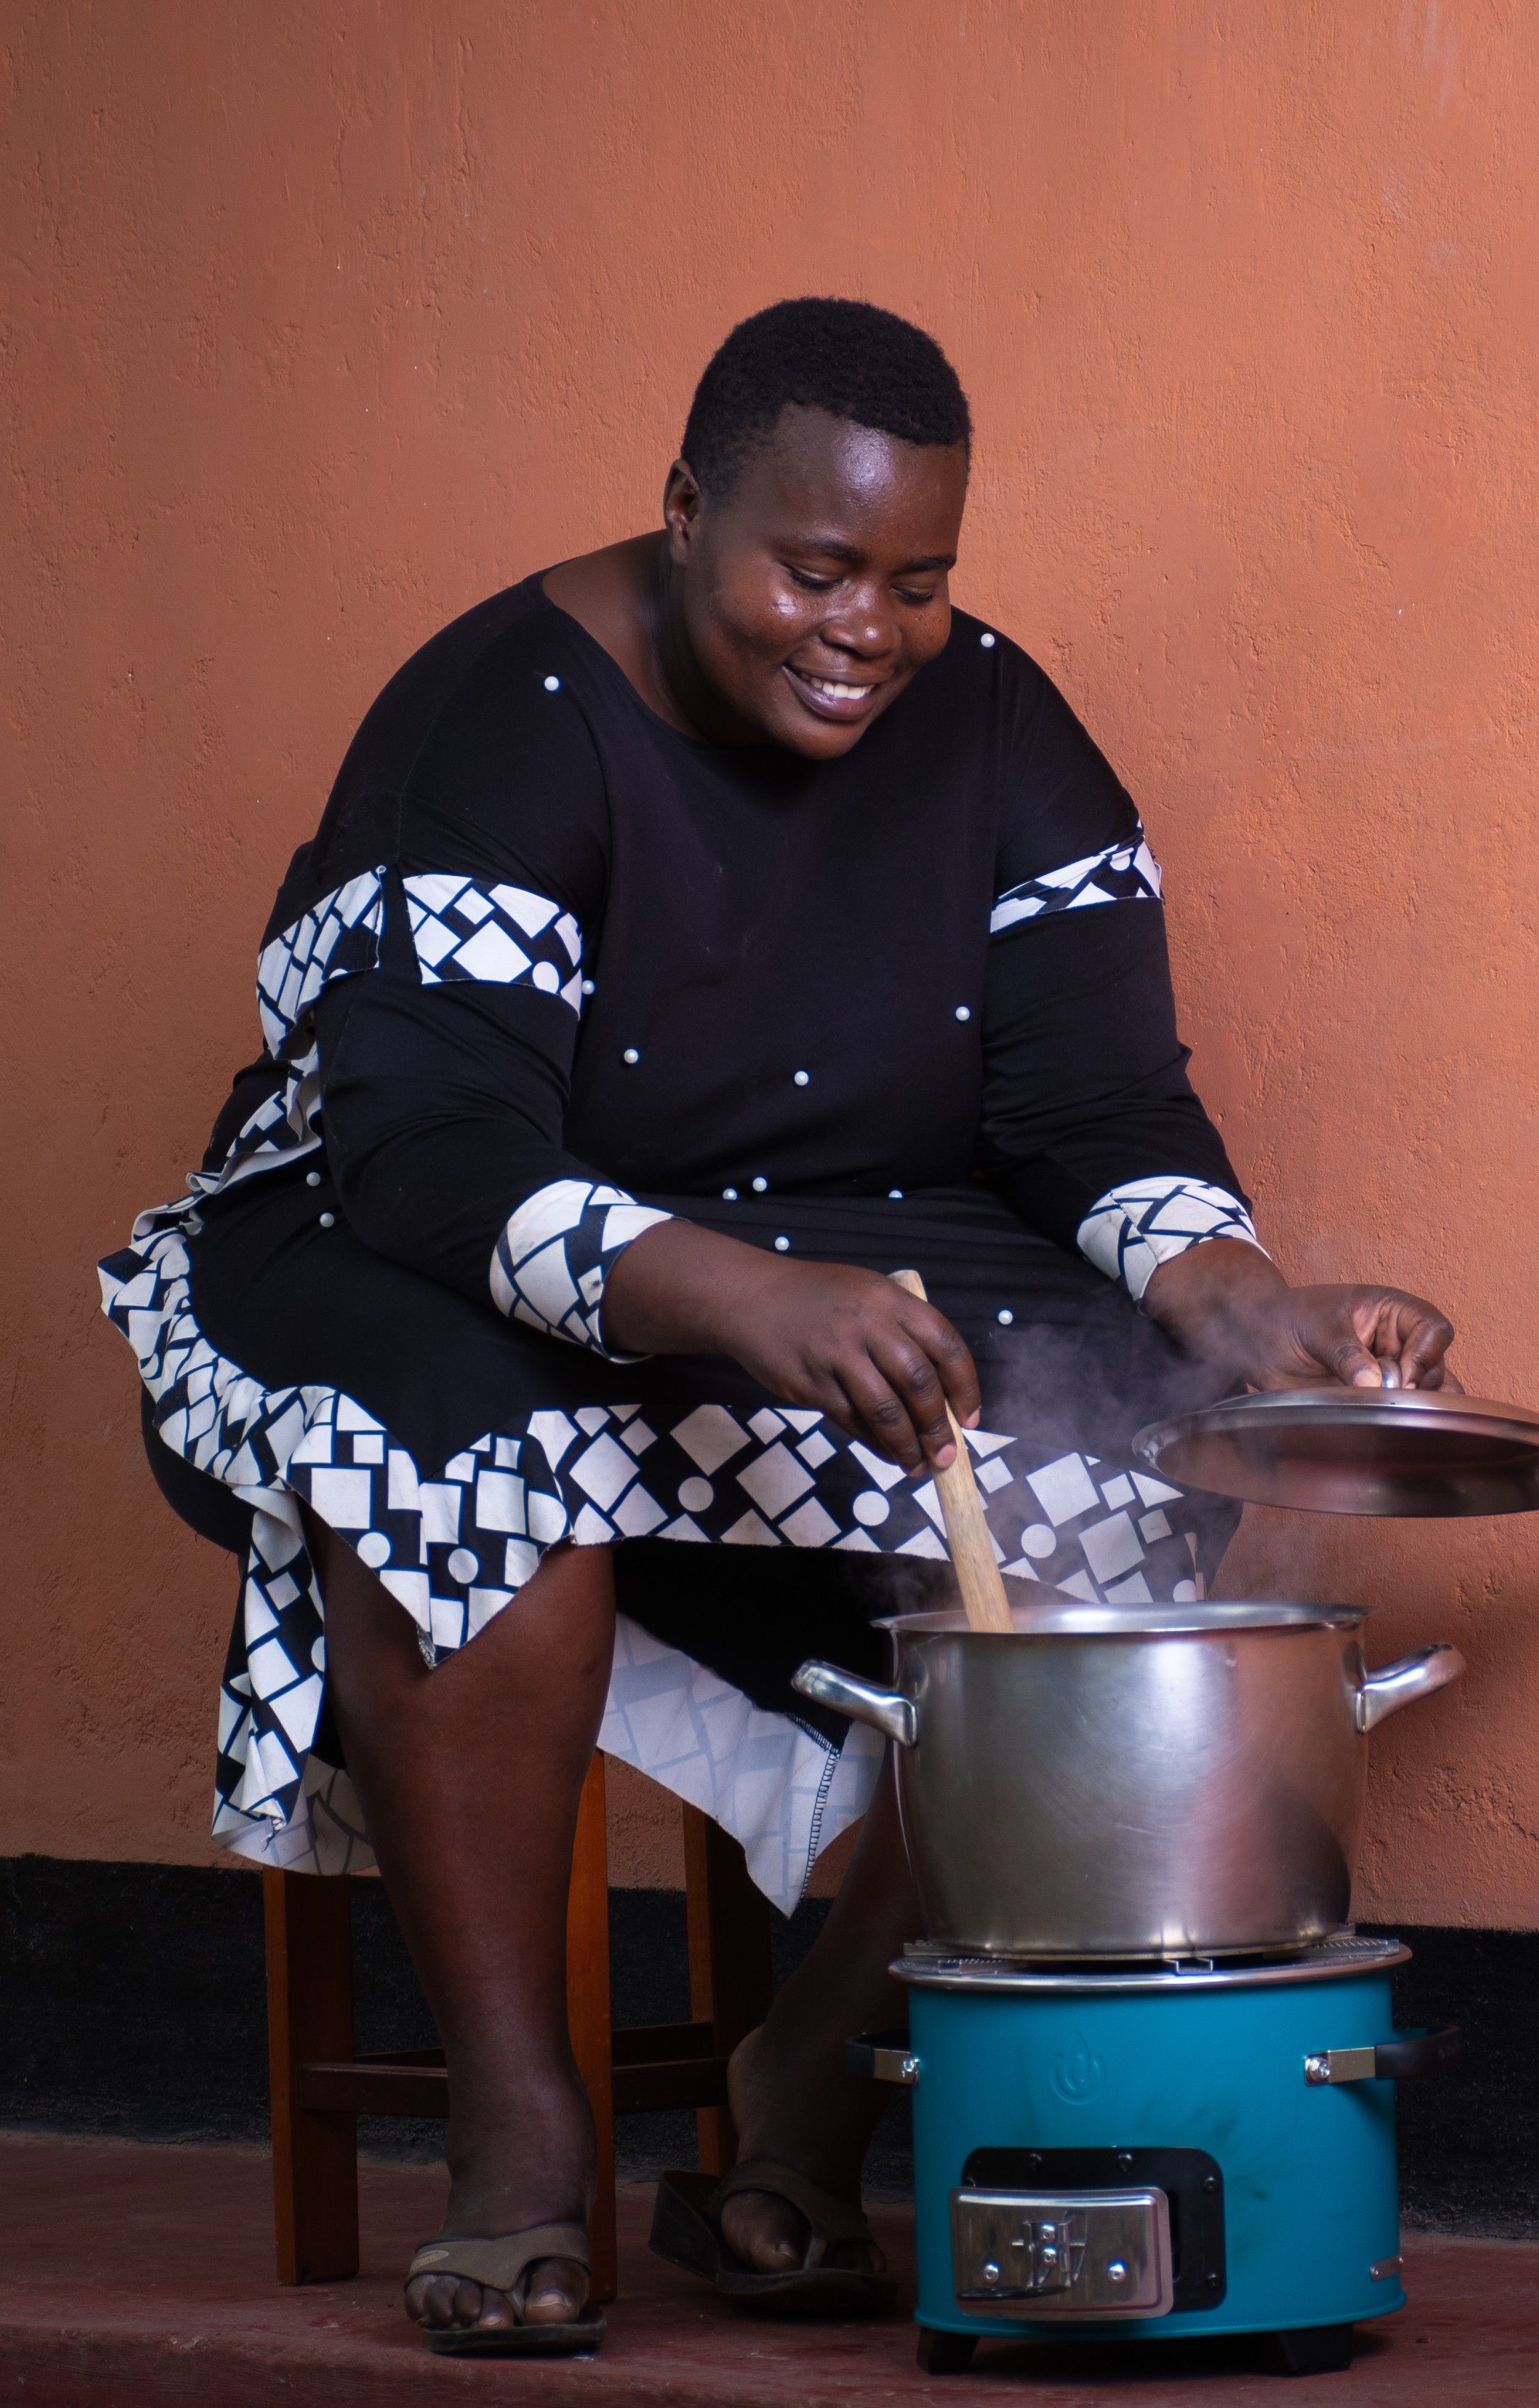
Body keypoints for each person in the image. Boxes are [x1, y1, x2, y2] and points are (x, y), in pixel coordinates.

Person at [98, 296, 1459, 2354]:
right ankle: (520, 2139)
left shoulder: (997, 728)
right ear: (681, 513)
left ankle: (803, 2094)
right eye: (814, 570)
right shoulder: (497, 716)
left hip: (820, 1245)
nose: (869, 629)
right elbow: (430, 1149)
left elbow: (1092, 1113)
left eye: (919, 580)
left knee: (1112, 1485)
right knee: (474, 1463)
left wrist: (1256, 1315)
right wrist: (734, 1293)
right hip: (395, 1235)